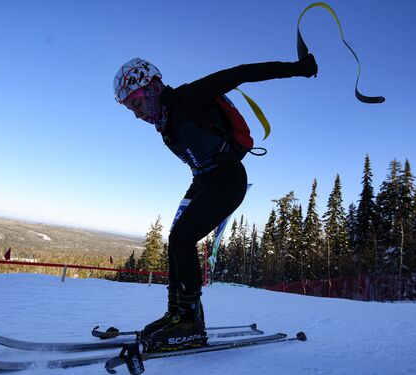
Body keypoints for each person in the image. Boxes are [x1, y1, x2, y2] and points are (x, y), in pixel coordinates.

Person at [113, 54, 317, 351]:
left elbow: (242, 71)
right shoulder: (166, 121)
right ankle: (178, 314)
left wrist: (298, 69)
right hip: (206, 180)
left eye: (136, 104)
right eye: (130, 108)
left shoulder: (188, 97)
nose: (136, 114)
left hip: (228, 180)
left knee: (182, 239)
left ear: (152, 88)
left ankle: (190, 323)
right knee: (176, 241)